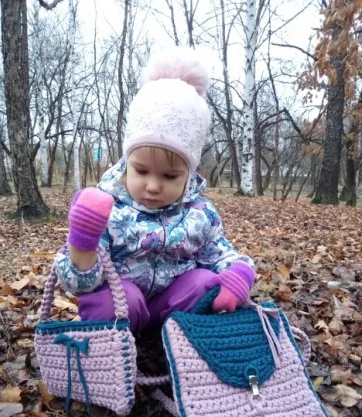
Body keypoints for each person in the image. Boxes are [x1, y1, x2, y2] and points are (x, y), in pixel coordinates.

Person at [54, 47, 255, 334]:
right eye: (141, 171)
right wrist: (82, 247)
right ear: (126, 164)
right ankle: (109, 336)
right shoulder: (107, 209)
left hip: (173, 308)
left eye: (170, 176)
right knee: (116, 298)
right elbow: (77, 286)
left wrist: (240, 273)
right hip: (123, 306)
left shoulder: (200, 214)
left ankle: (184, 337)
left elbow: (219, 254)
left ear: (190, 173)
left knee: (203, 282)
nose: (152, 186)